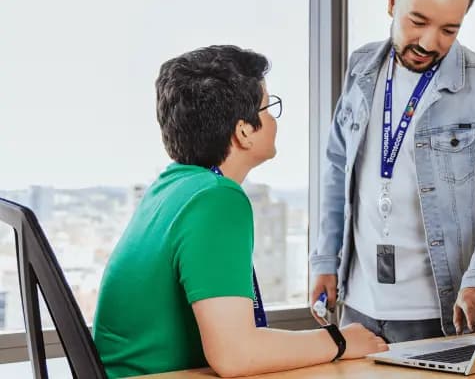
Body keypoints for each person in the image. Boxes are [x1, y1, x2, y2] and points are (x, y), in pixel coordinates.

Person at [93, 45, 386, 378]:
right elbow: (235, 355)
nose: (273, 119)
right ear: (244, 131)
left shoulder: (169, 188)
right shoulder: (216, 199)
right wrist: (341, 340)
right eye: (268, 107)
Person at [310, 0, 475, 342]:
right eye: (418, 21)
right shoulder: (360, 67)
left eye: (449, 30)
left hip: (436, 314)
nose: (429, 43)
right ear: (392, 1)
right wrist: (324, 260)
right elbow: (335, 165)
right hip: (357, 308)